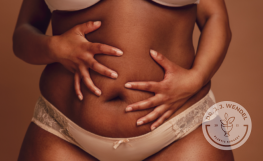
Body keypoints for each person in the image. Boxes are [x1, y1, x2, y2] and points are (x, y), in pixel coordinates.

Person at [13, 0, 233, 160]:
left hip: (181, 130)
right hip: (64, 132)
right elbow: (23, 33)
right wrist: (55, 47)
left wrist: (197, 78)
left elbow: (215, 17)